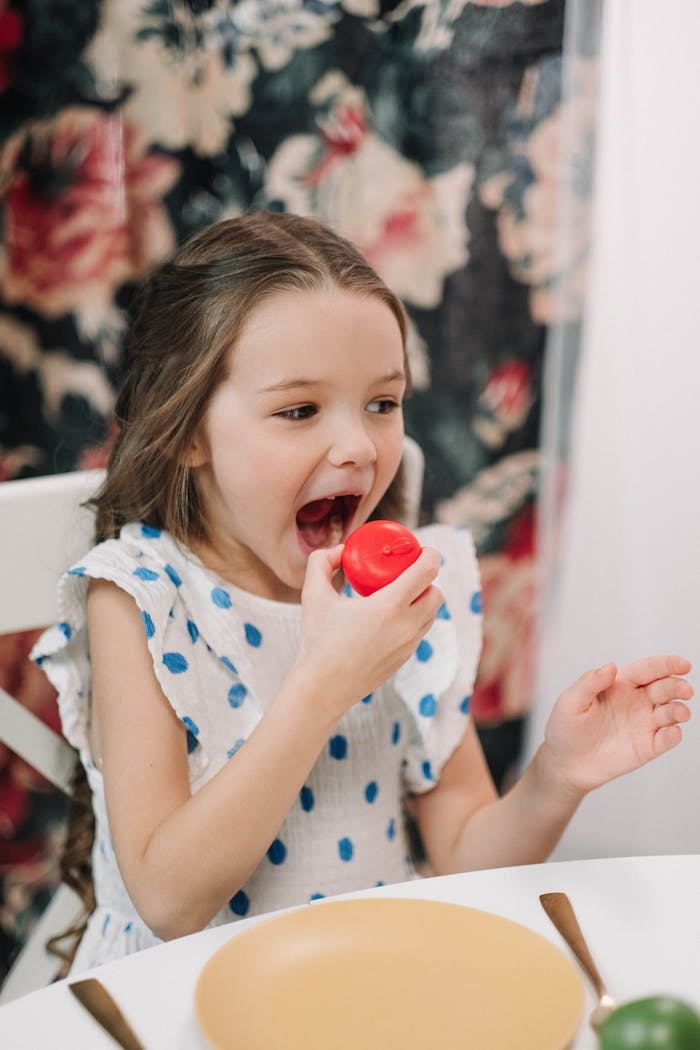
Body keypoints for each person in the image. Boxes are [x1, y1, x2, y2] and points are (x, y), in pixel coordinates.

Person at [33, 210, 693, 973]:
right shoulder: (142, 598)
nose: (356, 447)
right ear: (187, 431)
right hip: (171, 1000)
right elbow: (170, 902)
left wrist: (555, 778)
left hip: (364, 981)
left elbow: (465, 854)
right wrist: (324, 683)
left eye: (382, 403)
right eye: (299, 411)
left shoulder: (403, 595)